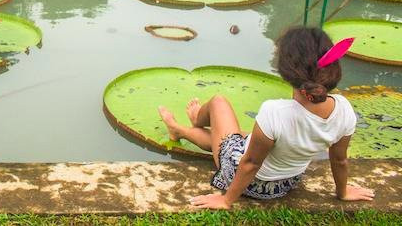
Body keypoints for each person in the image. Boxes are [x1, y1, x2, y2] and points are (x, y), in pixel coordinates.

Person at [157, 27, 374, 209]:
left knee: (218, 102)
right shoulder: (345, 110)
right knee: (241, 135)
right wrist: (343, 192)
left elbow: (250, 164)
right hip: (286, 183)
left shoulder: (275, 112)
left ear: (286, 70)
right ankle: (187, 129)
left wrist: (226, 199)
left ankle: (188, 124)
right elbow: (339, 159)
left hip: (248, 182)